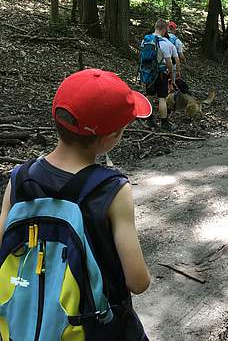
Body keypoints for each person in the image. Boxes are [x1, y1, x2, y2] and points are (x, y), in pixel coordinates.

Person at [0, 69, 151, 340]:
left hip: (20, 325)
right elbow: (137, 281)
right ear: (109, 140)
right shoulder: (112, 189)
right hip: (91, 329)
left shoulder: (19, 178)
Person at [143, 18, 174, 131]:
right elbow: (169, 62)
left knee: (149, 96)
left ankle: (149, 119)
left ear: (155, 27)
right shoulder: (165, 43)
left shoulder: (146, 40)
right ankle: (164, 123)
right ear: (165, 29)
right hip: (161, 74)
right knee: (162, 98)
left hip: (148, 73)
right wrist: (170, 73)